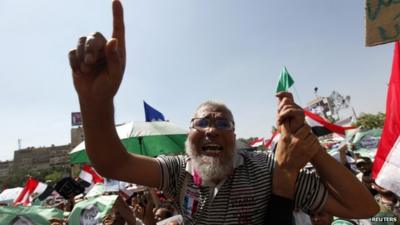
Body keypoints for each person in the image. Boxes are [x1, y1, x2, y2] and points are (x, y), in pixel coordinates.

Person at [68, 0, 378, 224]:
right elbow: (112, 162)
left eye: (222, 123)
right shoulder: (179, 171)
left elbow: (365, 209)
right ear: (189, 136)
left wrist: (312, 150)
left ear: (234, 134)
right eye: (200, 122)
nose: (211, 130)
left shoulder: (270, 168)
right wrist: (96, 103)